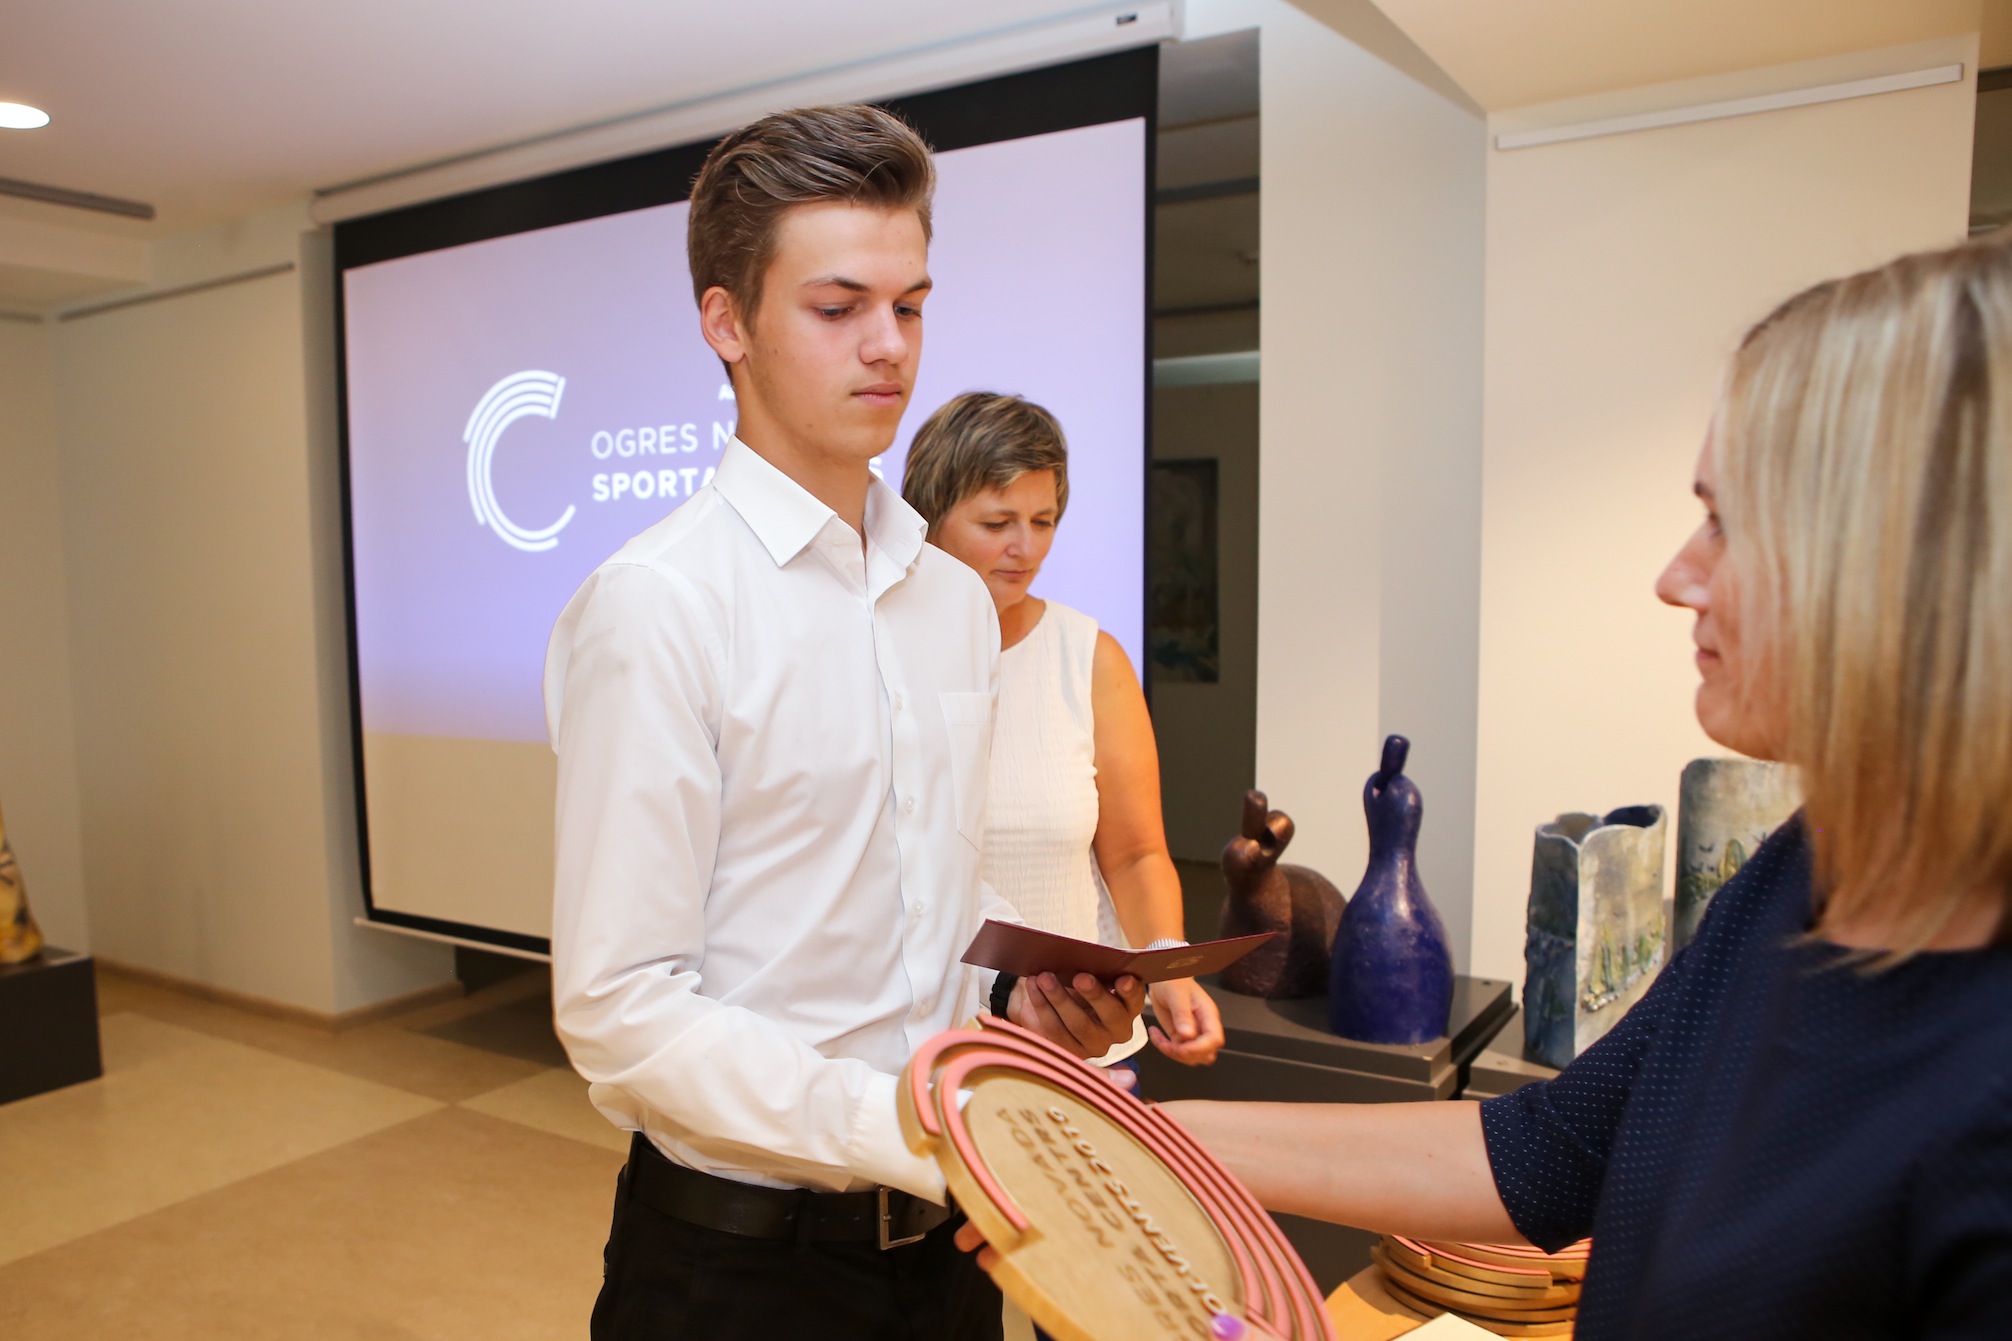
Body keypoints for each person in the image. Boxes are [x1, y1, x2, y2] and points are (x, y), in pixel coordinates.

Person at [968, 235, 2012, 1337]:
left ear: (1903, 565)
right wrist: (1124, 1140)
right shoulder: (1802, 870)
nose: (1676, 576)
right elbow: (1554, 1149)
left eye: (1727, 521)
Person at [544, 105, 1144, 1341]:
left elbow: (929, 905)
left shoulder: (949, 600)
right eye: (838, 308)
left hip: (949, 1250)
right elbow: (618, 1003)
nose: (888, 347)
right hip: (736, 1268)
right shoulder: (657, 605)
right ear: (727, 323)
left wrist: (1017, 1007)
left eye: (909, 306)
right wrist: (902, 1123)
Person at [901, 392, 1225, 1069]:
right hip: (927, 1046)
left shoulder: (1088, 659)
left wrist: (1169, 964)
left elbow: (1136, 855)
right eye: (997, 523)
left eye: (1043, 521)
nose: (1026, 548)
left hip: (1081, 1046)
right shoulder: (884, 657)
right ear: (928, 520)